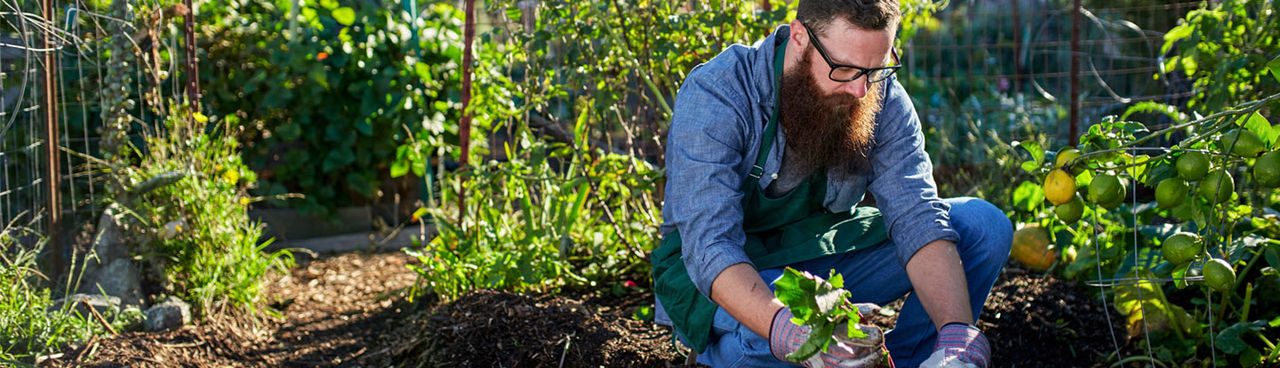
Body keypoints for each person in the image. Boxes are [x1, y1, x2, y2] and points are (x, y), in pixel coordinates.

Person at [651, 1, 1013, 367]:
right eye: (844, 69)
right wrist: (788, 330)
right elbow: (711, 245)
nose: (861, 89)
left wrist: (956, 331)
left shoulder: (878, 92)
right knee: (788, 339)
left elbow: (916, 213)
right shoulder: (719, 92)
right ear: (799, 38)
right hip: (729, 273)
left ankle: (915, 359)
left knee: (982, 226)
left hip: (820, 255)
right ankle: (724, 350)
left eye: (876, 68)